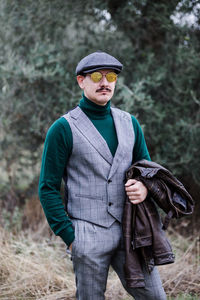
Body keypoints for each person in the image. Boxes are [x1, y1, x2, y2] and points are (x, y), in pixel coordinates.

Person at [38, 51, 167, 300]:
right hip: (86, 234)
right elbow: (47, 188)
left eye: (111, 77)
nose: (105, 82)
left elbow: (147, 173)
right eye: (96, 76)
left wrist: (143, 187)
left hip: (132, 230)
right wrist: (71, 237)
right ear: (81, 81)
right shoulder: (62, 128)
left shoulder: (130, 123)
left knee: (155, 297)